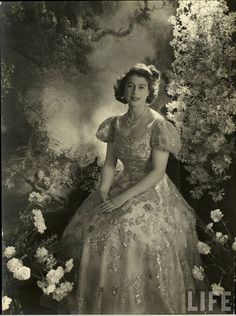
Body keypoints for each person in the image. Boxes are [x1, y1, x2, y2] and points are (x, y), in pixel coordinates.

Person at [59, 63, 205, 314]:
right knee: (94, 229)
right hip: (122, 182)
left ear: (149, 91)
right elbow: (109, 164)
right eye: (130, 86)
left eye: (141, 87)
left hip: (151, 188)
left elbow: (158, 172)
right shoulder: (115, 124)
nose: (135, 92)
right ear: (123, 90)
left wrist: (125, 197)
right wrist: (104, 191)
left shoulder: (158, 125)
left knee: (132, 234)